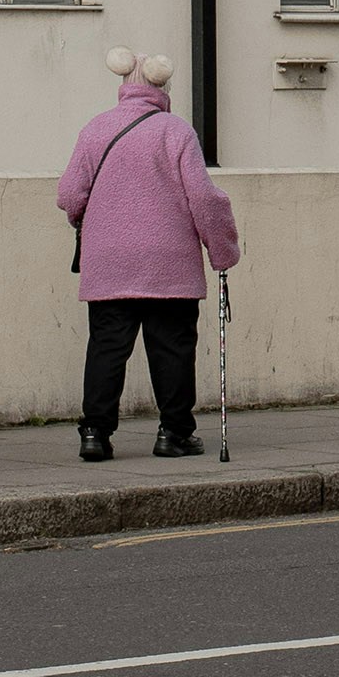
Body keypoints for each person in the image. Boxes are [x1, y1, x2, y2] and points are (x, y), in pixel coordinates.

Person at [56, 48, 238, 462]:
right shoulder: (176, 131)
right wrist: (223, 250)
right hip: (168, 261)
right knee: (171, 347)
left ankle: (95, 435)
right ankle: (173, 434)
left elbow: (69, 195)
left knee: (107, 346)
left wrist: (91, 221)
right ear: (163, 87)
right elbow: (205, 199)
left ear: (122, 86)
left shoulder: (95, 129)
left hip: (109, 260)